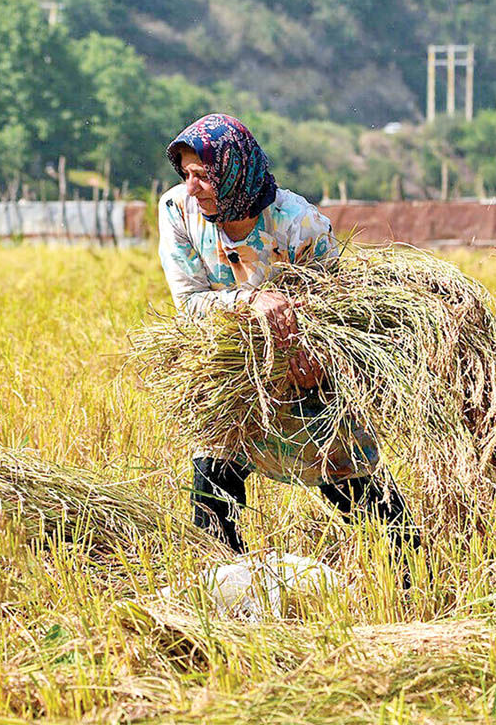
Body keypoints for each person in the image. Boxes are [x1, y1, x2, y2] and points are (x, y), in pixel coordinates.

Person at [157, 113, 419, 554]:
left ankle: (413, 564)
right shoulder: (178, 211)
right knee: (212, 490)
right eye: (185, 174)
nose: (191, 187)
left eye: (203, 175)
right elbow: (189, 305)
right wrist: (250, 301)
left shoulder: (299, 223)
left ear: (234, 171)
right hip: (232, 372)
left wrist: (315, 355)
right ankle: (229, 592)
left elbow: (339, 309)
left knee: (348, 477)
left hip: (302, 370)